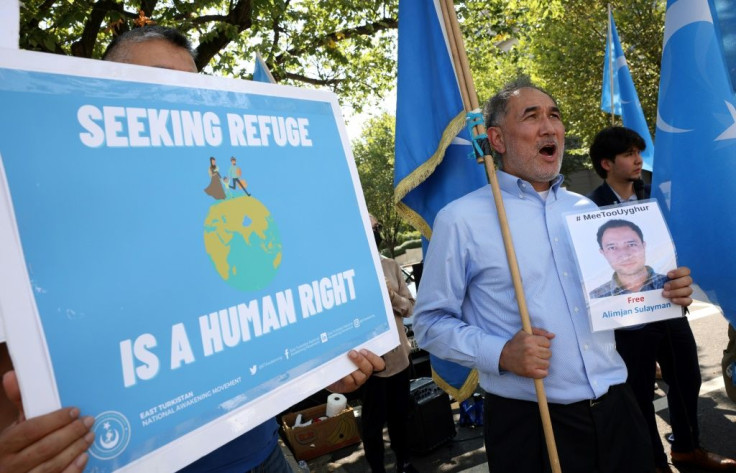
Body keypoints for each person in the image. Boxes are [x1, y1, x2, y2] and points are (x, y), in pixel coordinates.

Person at [0, 25, 386, 473]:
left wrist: (320, 366)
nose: (174, 99)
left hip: (261, 459)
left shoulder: (218, 213)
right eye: (154, 84)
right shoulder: (39, 219)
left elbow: (257, 336)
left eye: (190, 87)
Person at [412, 77, 695, 473]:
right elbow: (428, 323)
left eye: (555, 116)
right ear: (496, 139)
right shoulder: (461, 220)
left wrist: (662, 291)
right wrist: (501, 353)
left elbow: (617, 306)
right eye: (532, 117)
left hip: (618, 406)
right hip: (532, 424)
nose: (550, 127)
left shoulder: (587, 210)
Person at [587, 126, 736, 472]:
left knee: (687, 379)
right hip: (626, 320)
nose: (638, 159)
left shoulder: (658, 196)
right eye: (628, 154)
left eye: (639, 151)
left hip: (669, 307)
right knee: (637, 393)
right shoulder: (589, 207)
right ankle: (653, 461)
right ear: (606, 163)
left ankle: (687, 449)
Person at [360, 215, 415, 473]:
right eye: (370, 228)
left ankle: (404, 463)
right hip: (371, 365)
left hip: (400, 359)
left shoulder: (391, 266)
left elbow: (409, 308)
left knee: (401, 417)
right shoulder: (352, 270)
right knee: (372, 425)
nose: (375, 232)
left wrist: (389, 294)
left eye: (377, 227)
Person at [589, 219, 668, 299]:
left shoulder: (673, 284)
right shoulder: (595, 298)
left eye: (631, 244)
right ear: (603, 253)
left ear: (643, 246)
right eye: (612, 248)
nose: (625, 256)